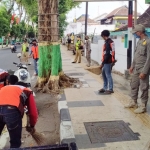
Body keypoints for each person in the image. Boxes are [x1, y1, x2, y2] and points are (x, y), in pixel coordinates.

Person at [0, 76, 38, 148]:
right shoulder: (27, 90)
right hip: (11, 112)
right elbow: (33, 113)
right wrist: (32, 125)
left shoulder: (4, 88)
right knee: (15, 142)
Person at [125, 24, 150, 114]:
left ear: (139, 32)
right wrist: (132, 66)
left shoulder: (148, 41)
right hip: (136, 68)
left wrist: (144, 71)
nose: (135, 34)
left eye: (135, 32)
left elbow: (149, 58)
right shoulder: (139, 41)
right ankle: (133, 102)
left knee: (143, 88)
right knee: (134, 85)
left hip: (143, 69)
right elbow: (136, 56)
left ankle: (143, 106)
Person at [99, 30, 115, 94]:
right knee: (103, 74)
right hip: (109, 60)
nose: (102, 37)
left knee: (108, 75)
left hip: (107, 61)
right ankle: (105, 88)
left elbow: (107, 54)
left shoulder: (108, 43)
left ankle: (110, 89)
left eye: (102, 36)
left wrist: (102, 63)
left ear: (104, 35)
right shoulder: (110, 42)